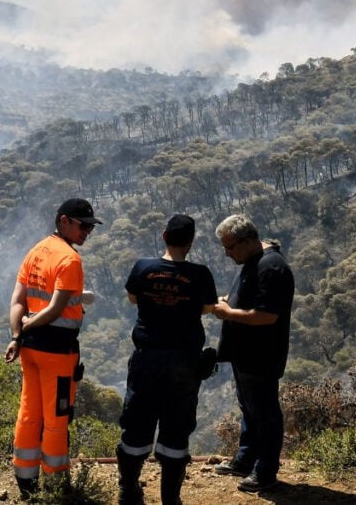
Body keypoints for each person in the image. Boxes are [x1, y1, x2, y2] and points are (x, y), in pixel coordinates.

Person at [115, 214, 218, 505]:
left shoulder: (143, 267)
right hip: (184, 362)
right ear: (191, 241)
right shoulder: (200, 274)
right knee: (177, 427)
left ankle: (129, 490)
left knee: (136, 423)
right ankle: (170, 499)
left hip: (146, 359)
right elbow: (208, 307)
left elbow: (133, 298)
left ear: (163, 235)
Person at [4, 198, 102, 499]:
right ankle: (57, 485)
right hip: (57, 353)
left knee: (29, 412)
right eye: (82, 225)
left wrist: (18, 335)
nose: (87, 231)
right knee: (57, 418)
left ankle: (26, 482)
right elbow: (57, 308)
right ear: (64, 221)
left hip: (30, 350)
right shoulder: (70, 260)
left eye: (90, 227)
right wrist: (30, 328)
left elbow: (18, 300)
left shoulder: (36, 251)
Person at [212, 214, 295, 494]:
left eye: (230, 247)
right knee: (249, 408)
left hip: (261, 355)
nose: (227, 253)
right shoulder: (251, 260)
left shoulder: (271, 266)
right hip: (245, 354)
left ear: (247, 241)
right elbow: (250, 297)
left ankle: (265, 471)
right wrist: (228, 301)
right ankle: (246, 460)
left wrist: (228, 313)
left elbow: (267, 315)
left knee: (265, 413)